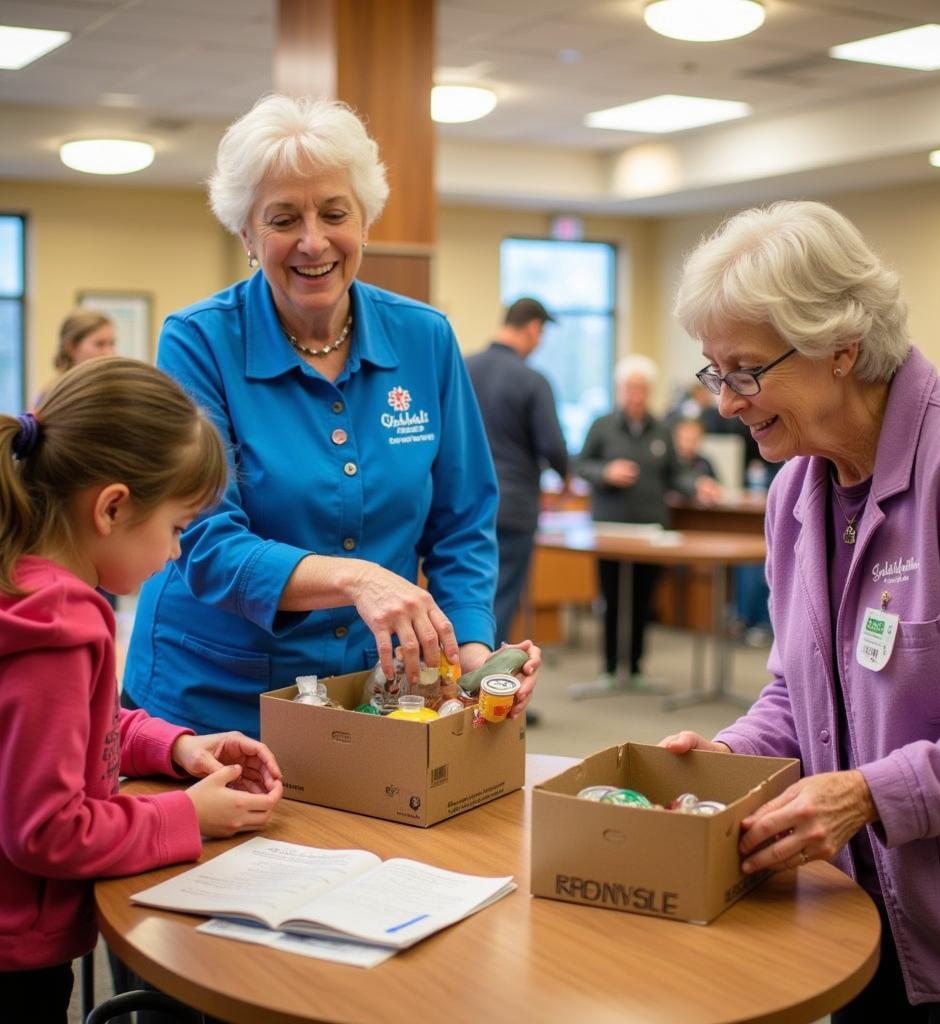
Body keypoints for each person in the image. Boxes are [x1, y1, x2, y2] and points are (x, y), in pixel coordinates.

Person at [661, 200, 940, 1019]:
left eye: (746, 371)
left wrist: (870, 793)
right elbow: (800, 690)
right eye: (715, 372)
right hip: (853, 911)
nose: (726, 401)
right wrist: (720, 754)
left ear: (840, 351)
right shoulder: (797, 485)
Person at [123, 94, 539, 739]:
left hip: (369, 693)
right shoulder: (200, 342)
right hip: (214, 696)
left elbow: (462, 523)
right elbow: (202, 540)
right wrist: (358, 579)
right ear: (246, 235)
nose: (313, 241)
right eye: (283, 218)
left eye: (335, 213)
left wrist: (475, 652)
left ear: (366, 221)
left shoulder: (424, 338)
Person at [0, 357, 283, 1022]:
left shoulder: (29, 586)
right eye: (179, 528)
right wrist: (186, 818)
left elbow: (64, 732)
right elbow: (47, 831)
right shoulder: (56, 630)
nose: (178, 554)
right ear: (113, 507)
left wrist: (176, 746)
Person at [576, 354, 689, 687]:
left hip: (651, 531)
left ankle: (637, 667)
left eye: (642, 389)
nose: (636, 395)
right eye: (630, 388)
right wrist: (605, 472)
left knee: (643, 600)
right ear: (620, 390)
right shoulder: (602, 425)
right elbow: (580, 465)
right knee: (612, 598)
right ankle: (611, 667)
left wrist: (697, 485)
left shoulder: (663, 429)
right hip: (610, 530)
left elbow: (676, 474)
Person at [465, 296, 569, 647]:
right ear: (533, 329)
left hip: (461, 505)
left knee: (461, 598)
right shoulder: (531, 380)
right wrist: (567, 476)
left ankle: (455, 695)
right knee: (501, 600)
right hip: (513, 508)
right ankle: (490, 694)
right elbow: (553, 447)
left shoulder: (463, 368)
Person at [668, 416, 722, 507]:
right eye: (686, 439)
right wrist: (697, 485)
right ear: (677, 438)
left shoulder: (705, 462)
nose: (690, 444)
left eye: (694, 439)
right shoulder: (669, 462)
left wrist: (712, 491)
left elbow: (718, 486)